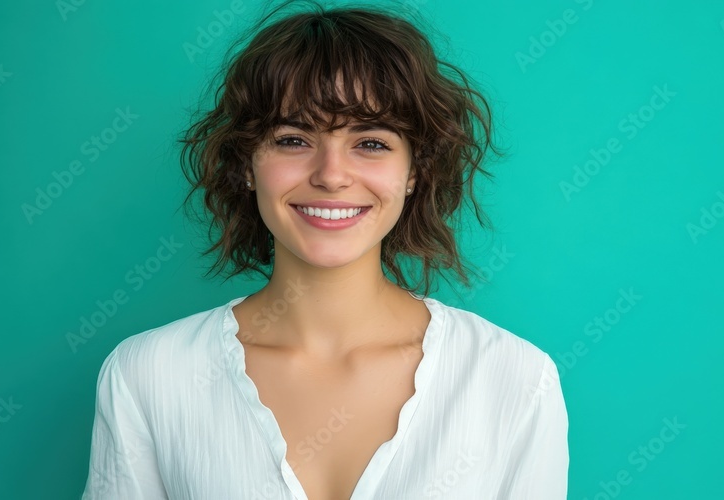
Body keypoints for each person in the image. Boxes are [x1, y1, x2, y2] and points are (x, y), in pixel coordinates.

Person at [80, 1, 568, 498]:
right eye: (293, 139)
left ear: (415, 170)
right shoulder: (148, 374)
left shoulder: (515, 379)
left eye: (372, 143)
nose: (331, 175)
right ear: (247, 165)